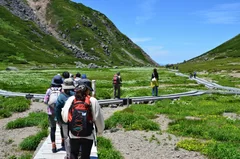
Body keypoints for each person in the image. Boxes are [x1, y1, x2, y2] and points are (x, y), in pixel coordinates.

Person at [61, 79, 105, 159]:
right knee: (85, 156)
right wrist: (100, 131)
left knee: (73, 154)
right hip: (88, 134)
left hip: (73, 133)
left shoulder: (71, 99)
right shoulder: (93, 101)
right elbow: (98, 118)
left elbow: (64, 118)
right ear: (87, 89)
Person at [55, 78, 75, 159]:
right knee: (74, 136)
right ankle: (76, 153)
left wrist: (58, 120)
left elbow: (57, 109)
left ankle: (68, 155)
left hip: (65, 120)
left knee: (67, 138)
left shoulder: (61, 97)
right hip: (74, 120)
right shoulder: (75, 95)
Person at [44, 74, 64, 153]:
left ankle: (53, 145)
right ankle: (63, 140)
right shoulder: (62, 90)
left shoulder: (49, 90)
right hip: (60, 111)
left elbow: (45, 101)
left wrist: (50, 105)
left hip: (51, 112)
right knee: (61, 127)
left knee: (53, 128)